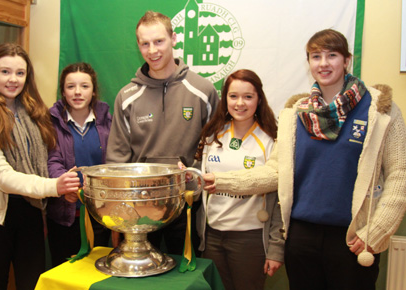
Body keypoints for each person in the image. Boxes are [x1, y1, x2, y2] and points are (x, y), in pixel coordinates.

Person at [202, 29, 406, 290]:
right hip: (301, 238)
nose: (323, 63)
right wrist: (219, 180)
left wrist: (377, 231)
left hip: (353, 238)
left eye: (332, 55)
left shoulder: (380, 110)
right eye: (315, 56)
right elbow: (275, 172)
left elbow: (399, 174)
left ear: (346, 61)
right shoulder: (295, 114)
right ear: (308, 63)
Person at [0, 43, 80, 290]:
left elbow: (44, 159)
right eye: (5, 72)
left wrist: (61, 182)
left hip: (31, 208)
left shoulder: (33, 110)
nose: (13, 79)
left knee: (33, 282)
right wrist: (53, 186)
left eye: (20, 73)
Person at [106, 11, 219, 255]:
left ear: (173, 38)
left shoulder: (203, 90)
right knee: (142, 275)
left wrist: (193, 178)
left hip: (188, 203)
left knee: (186, 272)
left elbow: (214, 147)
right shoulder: (126, 97)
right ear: (138, 45)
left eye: (159, 41)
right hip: (140, 207)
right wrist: (118, 206)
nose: (152, 50)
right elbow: (118, 157)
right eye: (145, 43)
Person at [195, 69, 283, 290]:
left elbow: (281, 200)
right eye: (233, 96)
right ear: (224, 99)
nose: (240, 103)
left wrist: (276, 248)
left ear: (259, 99)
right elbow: (200, 185)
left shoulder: (272, 140)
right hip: (212, 237)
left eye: (248, 96)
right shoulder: (212, 135)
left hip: (251, 240)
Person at [46, 62, 112, 267]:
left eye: (84, 86)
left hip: (100, 215)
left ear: (93, 91)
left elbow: (115, 163)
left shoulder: (108, 121)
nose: (77, 92)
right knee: (66, 274)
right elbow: (51, 160)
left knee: (97, 273)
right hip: (65, 217)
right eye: (70, 86)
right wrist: (67, 185)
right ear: (63, 91)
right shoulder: (50, 122)